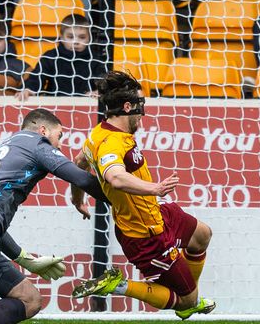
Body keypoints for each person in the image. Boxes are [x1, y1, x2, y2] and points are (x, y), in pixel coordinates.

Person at [0, 109, 112, 324]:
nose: (59, 146)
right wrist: (128, 203)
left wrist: (24, 259)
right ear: (42, 130)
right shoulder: (37, 144)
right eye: (58, 136)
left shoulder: (9, 146)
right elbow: (84, 180)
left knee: (29, 300)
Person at [70, 71, 215, 320]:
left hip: (156, 212)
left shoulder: (98, 133)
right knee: (185, 303)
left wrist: (77, 199)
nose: (142, 113)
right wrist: (155, 188)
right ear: (127, 107)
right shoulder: (111, 143)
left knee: (202, 235)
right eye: (140, 106)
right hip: (145, 235)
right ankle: (120, 285)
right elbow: (115, 176)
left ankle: (190, 292)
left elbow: (79, 161)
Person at [16, 14, 106, 101]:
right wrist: (28, 89)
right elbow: (37, 78)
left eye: (82, 37)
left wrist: (98, 92)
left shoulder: (95, 59)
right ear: (62, 37)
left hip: (87, 108)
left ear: (89, 38)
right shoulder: (51, 57)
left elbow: (104, 82)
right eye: (70, 37)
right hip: (55, 106)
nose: (76, 41)